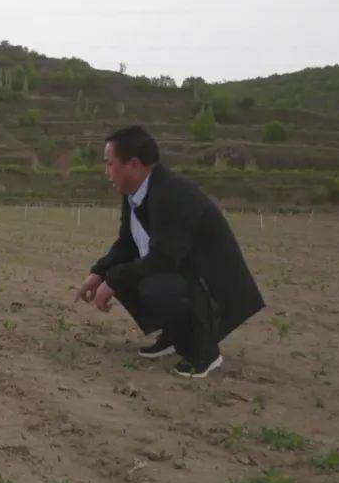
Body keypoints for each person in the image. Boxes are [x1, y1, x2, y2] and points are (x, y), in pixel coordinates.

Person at [74, 125, 264, 378]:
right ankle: (175, 336)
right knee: (127, 277)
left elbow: (164, 258)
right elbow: (127, 243)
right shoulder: (135, 194)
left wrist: (114, 280)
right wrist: (99, 273)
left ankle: (204, 351)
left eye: (110, 164)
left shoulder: (172, 194)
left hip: (214, 287)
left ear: (134, 164)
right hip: (184, 275)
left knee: (149, 284)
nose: (106, 171)